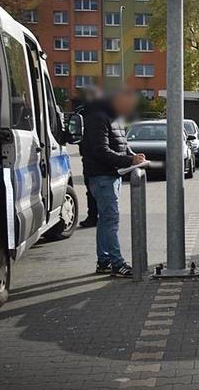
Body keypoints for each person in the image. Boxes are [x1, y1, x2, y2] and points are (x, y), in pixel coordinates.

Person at [81, 87, 145, 278]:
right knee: (111, 220)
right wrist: (128, 161)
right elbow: (101, 150)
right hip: (102, 177)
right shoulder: (97, 118)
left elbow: (121, 144)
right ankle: (117, 264)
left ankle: (104, 261)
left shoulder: (113, 118)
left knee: (105, 220)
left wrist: (133, 156)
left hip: (112, 175)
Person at [77, 86, 103, 228]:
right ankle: (97, 216)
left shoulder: (83, 112)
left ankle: (93, 216)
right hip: (99, 159)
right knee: (97, 191)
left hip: (90, 158)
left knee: (92, 190)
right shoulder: (107, 112)